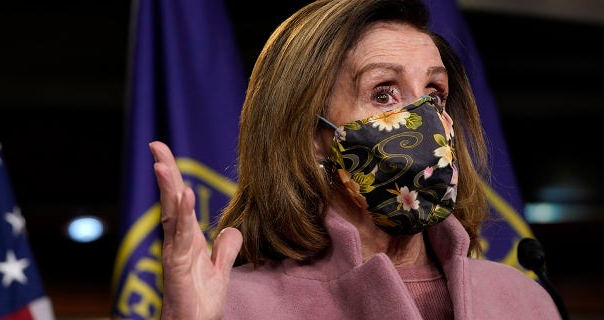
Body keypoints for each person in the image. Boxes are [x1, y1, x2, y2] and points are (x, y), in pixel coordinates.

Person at [149, 0, 562, 318]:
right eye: (384, 93)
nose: (426, 121)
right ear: (311, 134)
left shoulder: (522, 298)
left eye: (434, 94)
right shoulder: (233, 304)